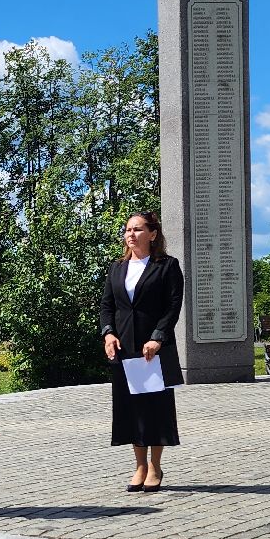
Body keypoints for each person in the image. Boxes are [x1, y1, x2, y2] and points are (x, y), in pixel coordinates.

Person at [98, 210, 183, 490]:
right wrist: (108, 333)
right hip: (125, 348)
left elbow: (173, 306)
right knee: (131, 408)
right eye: (127, 230)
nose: (130, 235)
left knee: (155, 408)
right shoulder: (117, 268)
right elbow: (107, 306)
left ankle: (155, 467)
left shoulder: (167, 266)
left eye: (137, 229)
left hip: (153, 350)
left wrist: (158, 337)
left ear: (153, 234)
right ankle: (139, 465)